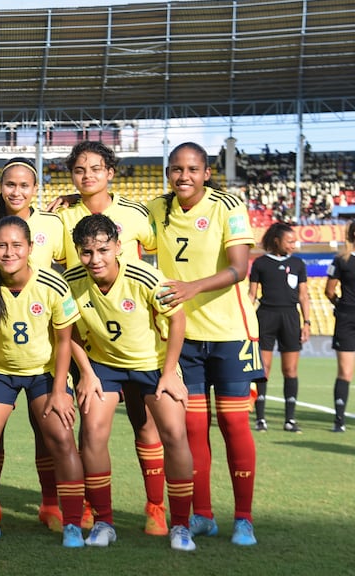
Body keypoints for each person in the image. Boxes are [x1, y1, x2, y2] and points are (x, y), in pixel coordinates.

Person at [147, 142, 261, 547]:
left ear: (207, 173)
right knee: (193, 428)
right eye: (176, 169)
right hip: (183, 339)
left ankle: (244, 519)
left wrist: (191, 287)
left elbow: (239, 267)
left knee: (233, 424)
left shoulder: (228, 206)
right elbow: (116, 225)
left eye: (192, 169)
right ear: (168, 173)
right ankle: (204, 515)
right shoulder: (156, 209)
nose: (184, 176)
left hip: (231, 334)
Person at [54, 141, 170, 535]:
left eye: (95, 169)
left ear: (110, 172)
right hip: (89, 341)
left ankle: (155, 507)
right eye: (79, 170)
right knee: (90, 428)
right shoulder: (62, 215)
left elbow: (164, 246)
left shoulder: (136, 214)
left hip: (138, 339)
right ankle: (91, 505)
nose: (87, 176)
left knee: (145, 424)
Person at [64, 214, 197, 552]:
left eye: (103, 250)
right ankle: (104, 522)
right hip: (104, 366)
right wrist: (87, 373)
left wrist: (170, 372)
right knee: (92, 432)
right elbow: (67, 330)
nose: (95, 259)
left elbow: (178, 320)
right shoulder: (71, 281)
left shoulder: (146, 277)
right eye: (86, 252)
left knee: (174, 434)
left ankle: (181, 526)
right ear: (78, 252)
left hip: (153, 365)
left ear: (118, 247)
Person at [0, 215, 87, 548]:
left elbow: (64, 340)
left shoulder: (52, 284)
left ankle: (72, 523)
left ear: (30, 248)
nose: (9, 252)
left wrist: (60, 390)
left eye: (16, 245)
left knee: (61, 436)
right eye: (1, 246)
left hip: (43, 373)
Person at [0, 156, 66, 531]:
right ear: (0, 186)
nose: (17, 191)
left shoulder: (54, 223)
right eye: (10, 184)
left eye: (25, 185)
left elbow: (70, 268)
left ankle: (51, 505)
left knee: (47, 432)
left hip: (43, 344)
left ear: (36, 189)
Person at [249, 222, 311, 432]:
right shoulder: (260, 263)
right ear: (277, 241)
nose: (293, 245)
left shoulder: (298, 264)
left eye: (294, 241)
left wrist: (307, 322)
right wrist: (246, 319)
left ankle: (289, 420)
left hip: (290, 318)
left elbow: (303, 296)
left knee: (290, 369)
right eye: (289, 241)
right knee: (263, 369)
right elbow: (252, 295)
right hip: (266, 317)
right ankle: (260, 419)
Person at [326, 219, 355, 432]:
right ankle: (339, 420)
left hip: (346, 317)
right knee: (345, 372)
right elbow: (329, 290)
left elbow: (329, 292)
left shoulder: (340, 259)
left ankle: (339, 422)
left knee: (345, 372)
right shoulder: (340, 260)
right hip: (347, 320)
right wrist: (343, 307)